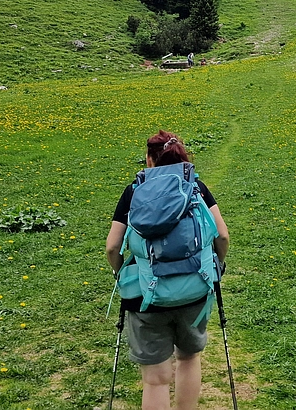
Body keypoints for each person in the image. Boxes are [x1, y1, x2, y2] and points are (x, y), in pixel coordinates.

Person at [106, 131, 229, 410]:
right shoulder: (196, 187)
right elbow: (222, 236)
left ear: (149, 159)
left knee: (156, 379)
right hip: (195, 288)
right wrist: (218, 266)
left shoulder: (134, 191)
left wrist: (120, 275)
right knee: (188, 358)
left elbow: (113, 247)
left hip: (145, 295)